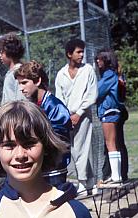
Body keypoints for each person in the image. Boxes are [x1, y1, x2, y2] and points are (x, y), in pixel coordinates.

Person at [15, 60, 72, 187]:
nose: (21, 88)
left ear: (37, 81)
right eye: (19, 83)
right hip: (39, 168)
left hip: (54, 170)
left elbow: (58, 140)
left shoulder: (55, 107)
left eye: (24, 83)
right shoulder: (33, 106)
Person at [55, 38, 98, 194]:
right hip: (68, 117)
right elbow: (59, 97)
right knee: (75, 149)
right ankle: (90, 182)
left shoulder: (88, 70)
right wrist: (67, 116)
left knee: (81, 148)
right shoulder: (61, 74)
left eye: (82, 52)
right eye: (78, 52)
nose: (81, 55)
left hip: (83, 115)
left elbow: (92, 94)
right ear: (69, 54)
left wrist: (79, 113)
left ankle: (83, 183)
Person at [95, 48, 126, 184]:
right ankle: (117, 175)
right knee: (114, 143)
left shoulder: (108, 75)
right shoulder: (114, 74)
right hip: (114, 111)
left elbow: (97, 92)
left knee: (110, 143)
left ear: (106, 60)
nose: (97, 61)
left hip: (108, 111)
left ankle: (115, 176)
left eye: (100, 59)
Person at [0, 33, 25, 104]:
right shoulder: (10, 73)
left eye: (2, 52)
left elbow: (21, 102)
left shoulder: (19, 72)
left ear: (9, 51)